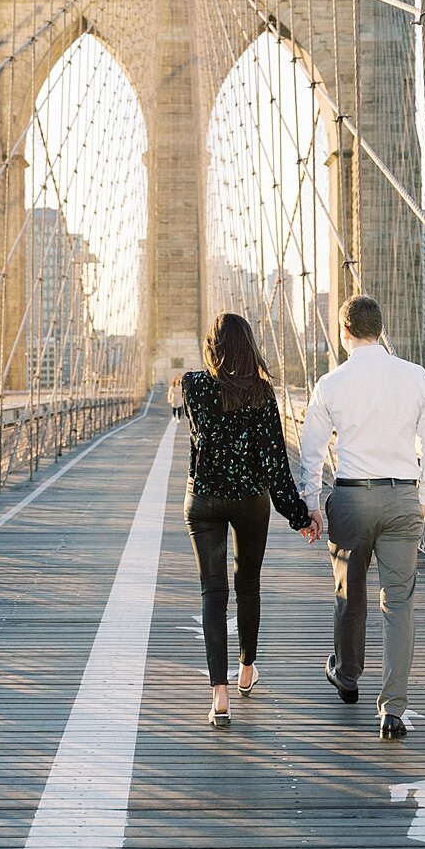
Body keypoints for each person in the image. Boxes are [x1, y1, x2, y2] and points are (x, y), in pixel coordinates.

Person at [298, 295, 425, 741]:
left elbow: (311, 453)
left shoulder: (330, 383)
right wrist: (424, 497)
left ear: (344, 334)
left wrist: (309, 503)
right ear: (381, 330)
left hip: (352, 498)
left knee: (351, 594)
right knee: (399, 605)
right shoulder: (415, 376)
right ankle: (392, 709)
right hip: (402, 497)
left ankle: (347, 674)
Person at [182, 312, 311, 729]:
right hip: (250, 500)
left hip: (203, 500)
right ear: (249, 344)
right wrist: (299, 515)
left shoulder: (192, 386)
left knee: (212, 593)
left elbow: (202, 439)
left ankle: (219, 696)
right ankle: (246, 670)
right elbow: (275, 464)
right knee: (247, 586)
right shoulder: (262, 393)